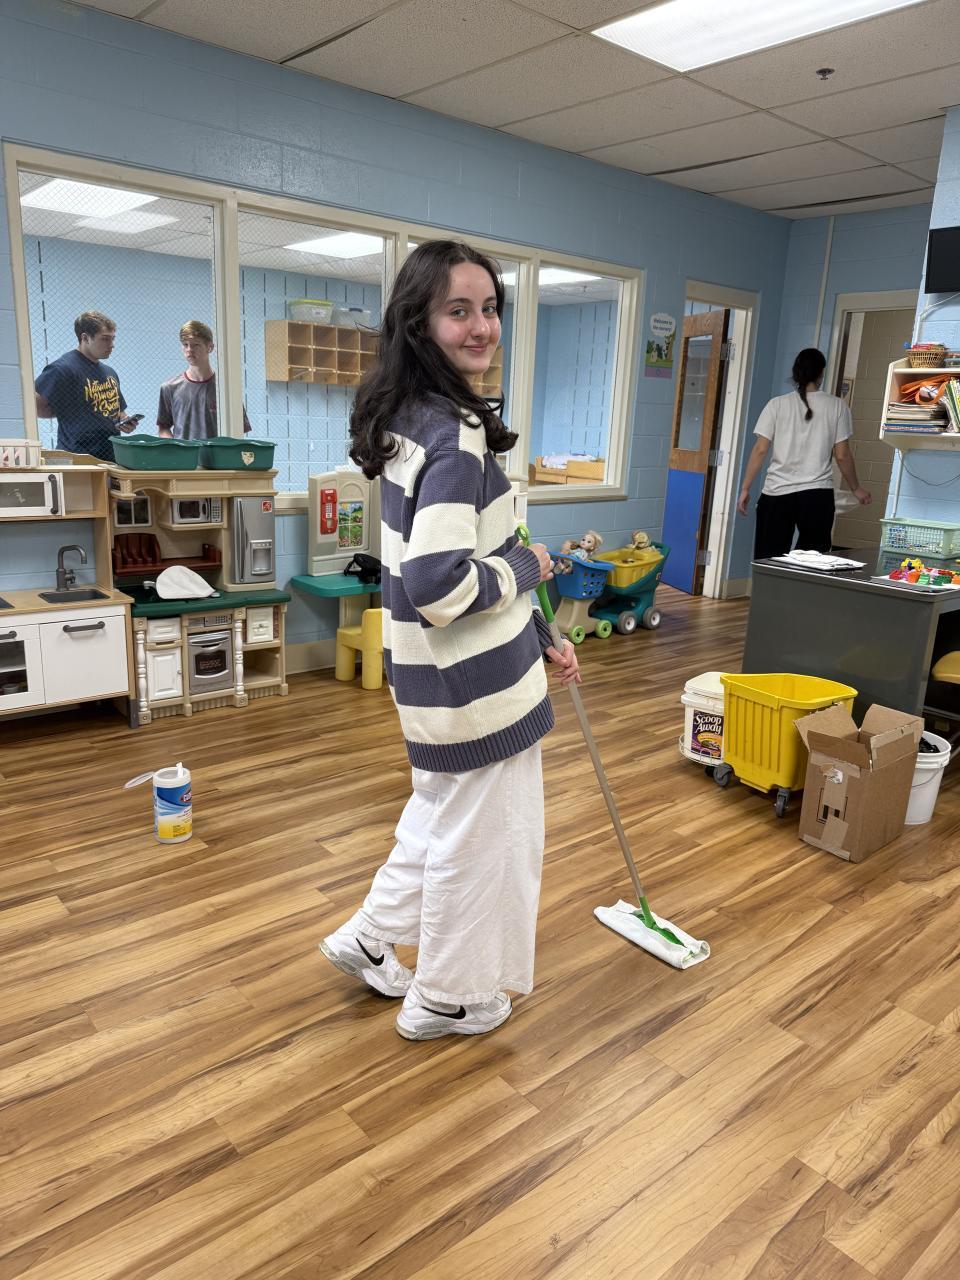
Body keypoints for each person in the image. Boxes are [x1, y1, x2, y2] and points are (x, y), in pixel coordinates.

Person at [320, 240, 579, 1042]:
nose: (481, 327)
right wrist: (532, 567)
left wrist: (538, 632)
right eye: (457, 311)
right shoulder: (455, 437)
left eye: (489, 308)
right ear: (420, 323)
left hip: (437, 680)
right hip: (476, 688)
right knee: (483, 845)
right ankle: (450, 997)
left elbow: (465, 552)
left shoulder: (409, 419)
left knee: (441, 819)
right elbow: (440, 586)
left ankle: (370, 937)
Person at [737, 347, 871, 559]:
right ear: (821, 373)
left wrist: (745, 488)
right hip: (817, 495)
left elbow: (760, 449)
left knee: (769, 559)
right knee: (811, 563)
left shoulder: (776, 405)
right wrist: (856, 488)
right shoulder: (837, 406)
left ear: (796, 372)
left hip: (776, 493)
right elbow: (842, 455)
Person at [35, 311, 139, 461]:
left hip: (111, 457)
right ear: (85, 338)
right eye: (105, 339)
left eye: (112, 339)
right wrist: (68, 413)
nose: (111, 345)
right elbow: (35, 407)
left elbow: (118, 411)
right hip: (77, 458)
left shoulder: (110, 373)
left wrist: (125, 422)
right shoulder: (62, 369)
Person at [157, 320, 251, 439]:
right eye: (185, 344)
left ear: (210, 347)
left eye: (196, 345)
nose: (189, 349)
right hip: (182, 452)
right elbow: (163, 428)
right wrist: (174, 447)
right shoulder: (169, 388)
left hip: (218, 451)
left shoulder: (227, 389)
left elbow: (239, 430)